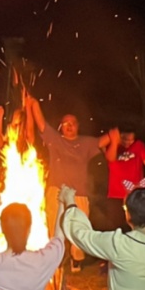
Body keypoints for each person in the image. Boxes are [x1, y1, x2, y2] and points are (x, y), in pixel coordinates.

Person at [26, 95, 108, 271]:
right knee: (54, 225)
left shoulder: (86, 142)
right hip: (56, 190)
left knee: (79, 227)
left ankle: (76, 259)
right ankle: (55, 259)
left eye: (72, 123)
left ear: (78, 126)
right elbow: (41, 123)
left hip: (80, 193)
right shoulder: (55, 139)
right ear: (61, 127)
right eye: (65, 123)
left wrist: (116, 133)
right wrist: (34, 104)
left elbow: (104, 140)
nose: (69, 126)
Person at [103, 128, 145, 230]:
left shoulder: (138, 145)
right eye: (124, 139)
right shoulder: (113, 146)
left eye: (131, 140)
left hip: (134, 195)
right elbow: (110, 158)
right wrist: (114, 142)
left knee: (136, 225)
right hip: (116, 194)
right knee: (116, 226)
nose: (127, 142)